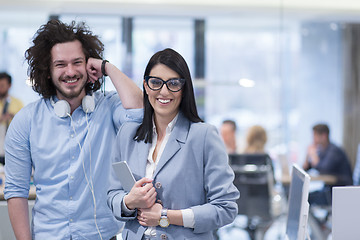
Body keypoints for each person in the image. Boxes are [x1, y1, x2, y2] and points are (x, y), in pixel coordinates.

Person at [4, 19, 143, 240]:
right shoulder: (26, 120)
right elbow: (16, 192)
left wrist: (107, 67)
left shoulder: (109, 107)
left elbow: (140, 109)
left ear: (89, 66)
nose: (70, 71)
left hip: (102, 235)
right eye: (60, 64)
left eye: (77, 62)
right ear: (48, 71)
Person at [107, 48, 239, 240]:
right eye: (156, 83)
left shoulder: (204, 136)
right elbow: (112, 195)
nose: (164, 91)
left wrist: (165, 217)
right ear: (145, 85)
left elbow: (226, 208)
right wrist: (129, 201)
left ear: (184, 88)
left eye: (173, 83)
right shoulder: (127, 134)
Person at [303, 123, 353, 205]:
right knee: (304, 197)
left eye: (315, 136)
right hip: (328, 190)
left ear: (324, 136)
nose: (313, 139)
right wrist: (308, 154)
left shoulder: (334, 151)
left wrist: (313, 155)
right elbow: (306, 168)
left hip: (339, 193)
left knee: (306, 199)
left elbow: (323, 169)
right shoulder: (322, 150)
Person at [0, 72, 23, 165]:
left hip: (11, 148)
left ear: (9, 86)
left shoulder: (17, 103)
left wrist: (13, 117)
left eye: (2, 85)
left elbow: (24, 123)